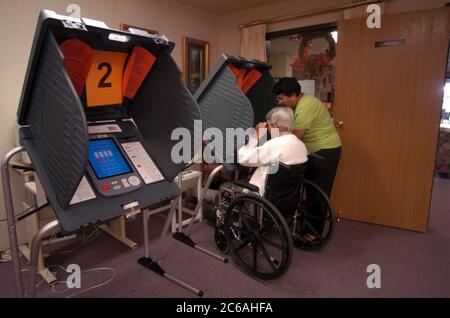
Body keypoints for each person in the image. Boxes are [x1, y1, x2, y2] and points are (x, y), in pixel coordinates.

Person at [273, 77, 342, 242]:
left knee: (317, 193)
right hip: (316, 151)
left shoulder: (305, 107)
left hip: (324, 152)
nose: (279, 101)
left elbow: (294, 138)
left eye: (281, 98)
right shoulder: (301, 102)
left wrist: (272, 135)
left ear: (294, 95)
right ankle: (306, 224)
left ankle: (313, 235)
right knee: (310, 190)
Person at [237, 107, 308, 197]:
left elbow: (243, 159)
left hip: (261, 196)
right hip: (287, 197)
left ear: (274, 126)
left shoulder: (274, 145)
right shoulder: (301, 145)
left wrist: (255, 136)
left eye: (268, 125)